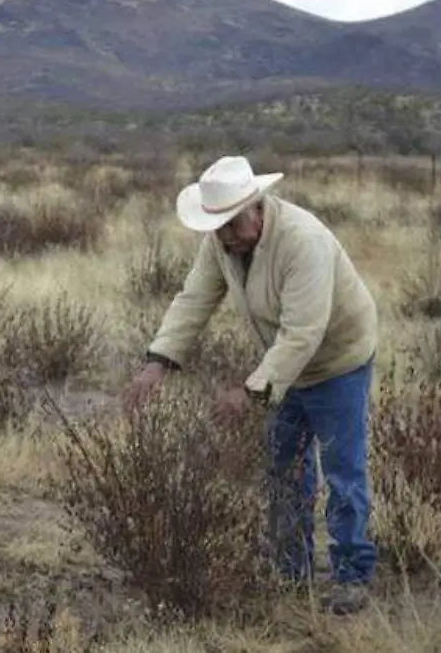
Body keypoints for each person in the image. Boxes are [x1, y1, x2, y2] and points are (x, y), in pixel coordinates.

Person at [123, 155, 379, 616]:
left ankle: (352, 576)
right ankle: (289, 573)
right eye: (216, 227)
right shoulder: (223, 244)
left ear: (257, 209)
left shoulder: (303, 242)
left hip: (339, 361)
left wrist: (252, 390)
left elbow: (303, 333)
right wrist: (158, 361)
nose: (223, 237)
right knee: (283, 469)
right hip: (284, 371)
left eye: (231, 225)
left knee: (344, 470)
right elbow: (195, 298)